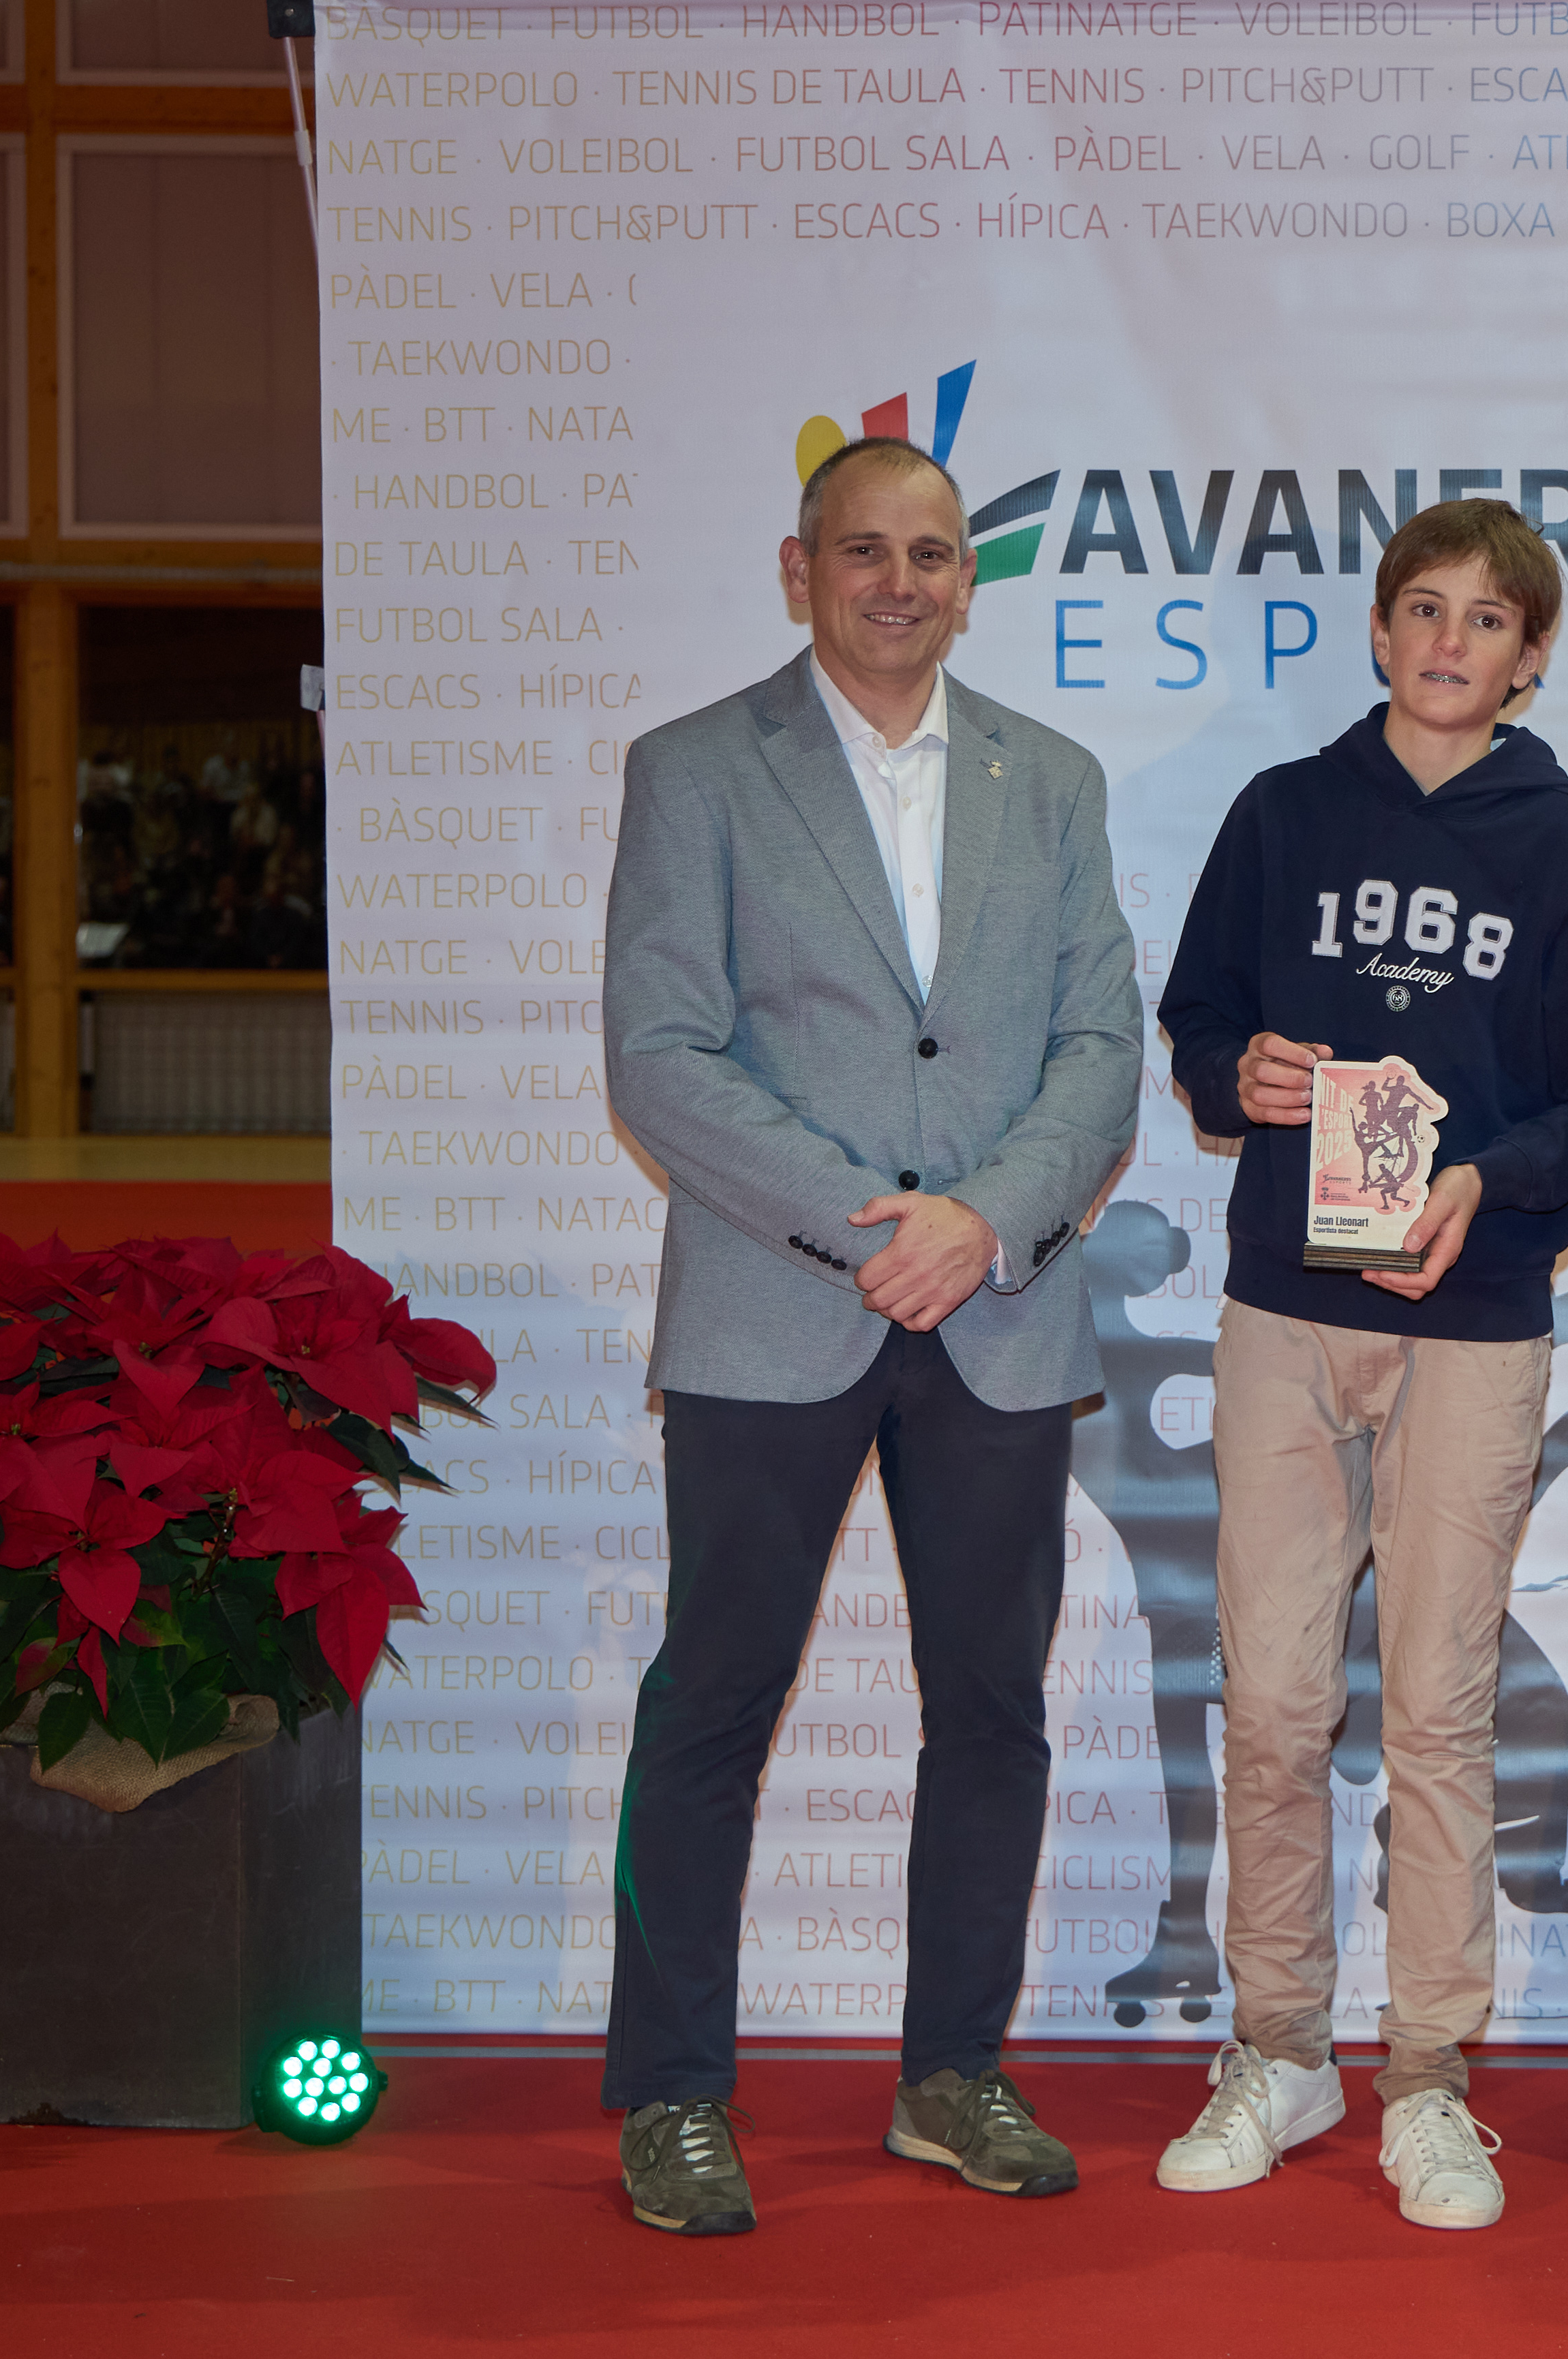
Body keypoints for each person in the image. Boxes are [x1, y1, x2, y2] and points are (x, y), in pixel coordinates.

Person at [597, 435, 1141, 2236]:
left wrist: (982, 1220)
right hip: (776, 1310)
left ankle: (951, 2074)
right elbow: (658, 1056)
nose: (897, 581)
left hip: (1000, 1310)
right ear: (798, 569)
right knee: (710, 1705)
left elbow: (1101, 1046)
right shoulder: (693, 769)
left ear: (968, 579)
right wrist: (871, 1226)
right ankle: (671, 2094)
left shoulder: (1049, 779)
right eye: (862, 551)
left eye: (929, 553)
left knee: (991, 1712)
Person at [1152, 498, 1568, 2231]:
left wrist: (1487, 1178)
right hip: (1285, 1311)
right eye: (1423, 609)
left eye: (1486, 619)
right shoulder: (1282, 812)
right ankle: (1277, 2047)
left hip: (1476, 1313)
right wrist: (1241, 1076)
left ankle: (1430, 2077)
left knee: (1439, 1711)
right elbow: (1198, 1026)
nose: (1450, 642)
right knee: (1274, 1700)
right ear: (1378, 632)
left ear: (1531, 657)